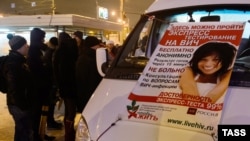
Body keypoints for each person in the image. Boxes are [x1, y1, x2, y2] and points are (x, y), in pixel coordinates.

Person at [27, 28, 55, 141]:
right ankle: (36, 136)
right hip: (38, 88)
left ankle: (41, 133)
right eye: (42, 37)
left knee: (42, 113)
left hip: (43, 86)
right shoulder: (34, 51)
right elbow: (38, 69)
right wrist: (46, 66)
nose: (44, 40)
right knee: (37, 114)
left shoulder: (40, 49)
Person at [4, 34, 33, 141]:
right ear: (20, 47)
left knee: (22, 131)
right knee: (25, 133)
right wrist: (23, 105)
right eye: (26, 45)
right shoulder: (13, 63)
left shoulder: (19, 60)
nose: (27, 47)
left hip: (19, 103)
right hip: (18, 105)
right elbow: (14, 86)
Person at [53, 32, 78, 141]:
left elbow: (57, 71)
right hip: (71, 86)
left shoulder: (58, 51)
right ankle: (69, 135)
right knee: (71, 111)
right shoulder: (70, 50)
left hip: (63, 86)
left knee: (68, 111)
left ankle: (69, 133)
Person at [75, 36, 103, 113]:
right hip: (88, 93)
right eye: (98, 45)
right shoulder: (86, 58)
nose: (99, 47)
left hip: (91, 92)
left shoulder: (88, 55)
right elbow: (83, 79)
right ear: (93, 45)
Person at [43, 36, 63, 130]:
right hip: (51, 83)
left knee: (52, 105)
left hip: (51, 83)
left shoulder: (49, 52)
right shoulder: (50, 54)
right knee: (50, 105)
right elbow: (52, 70)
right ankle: (50, 122)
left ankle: (50, 121)